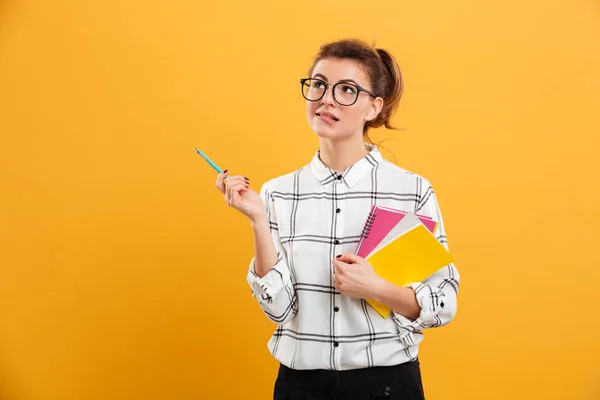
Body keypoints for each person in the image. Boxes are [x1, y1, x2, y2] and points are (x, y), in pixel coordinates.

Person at [215, 38, 460, 400]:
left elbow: (444, 302)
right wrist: (258, 221)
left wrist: (376, 288)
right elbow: (280, 310)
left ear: (374, 107)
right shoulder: (278, 194)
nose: (325, 99)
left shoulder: (410, 190)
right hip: (300, 387)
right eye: (318, 85)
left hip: (388, 386)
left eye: (346, 89)